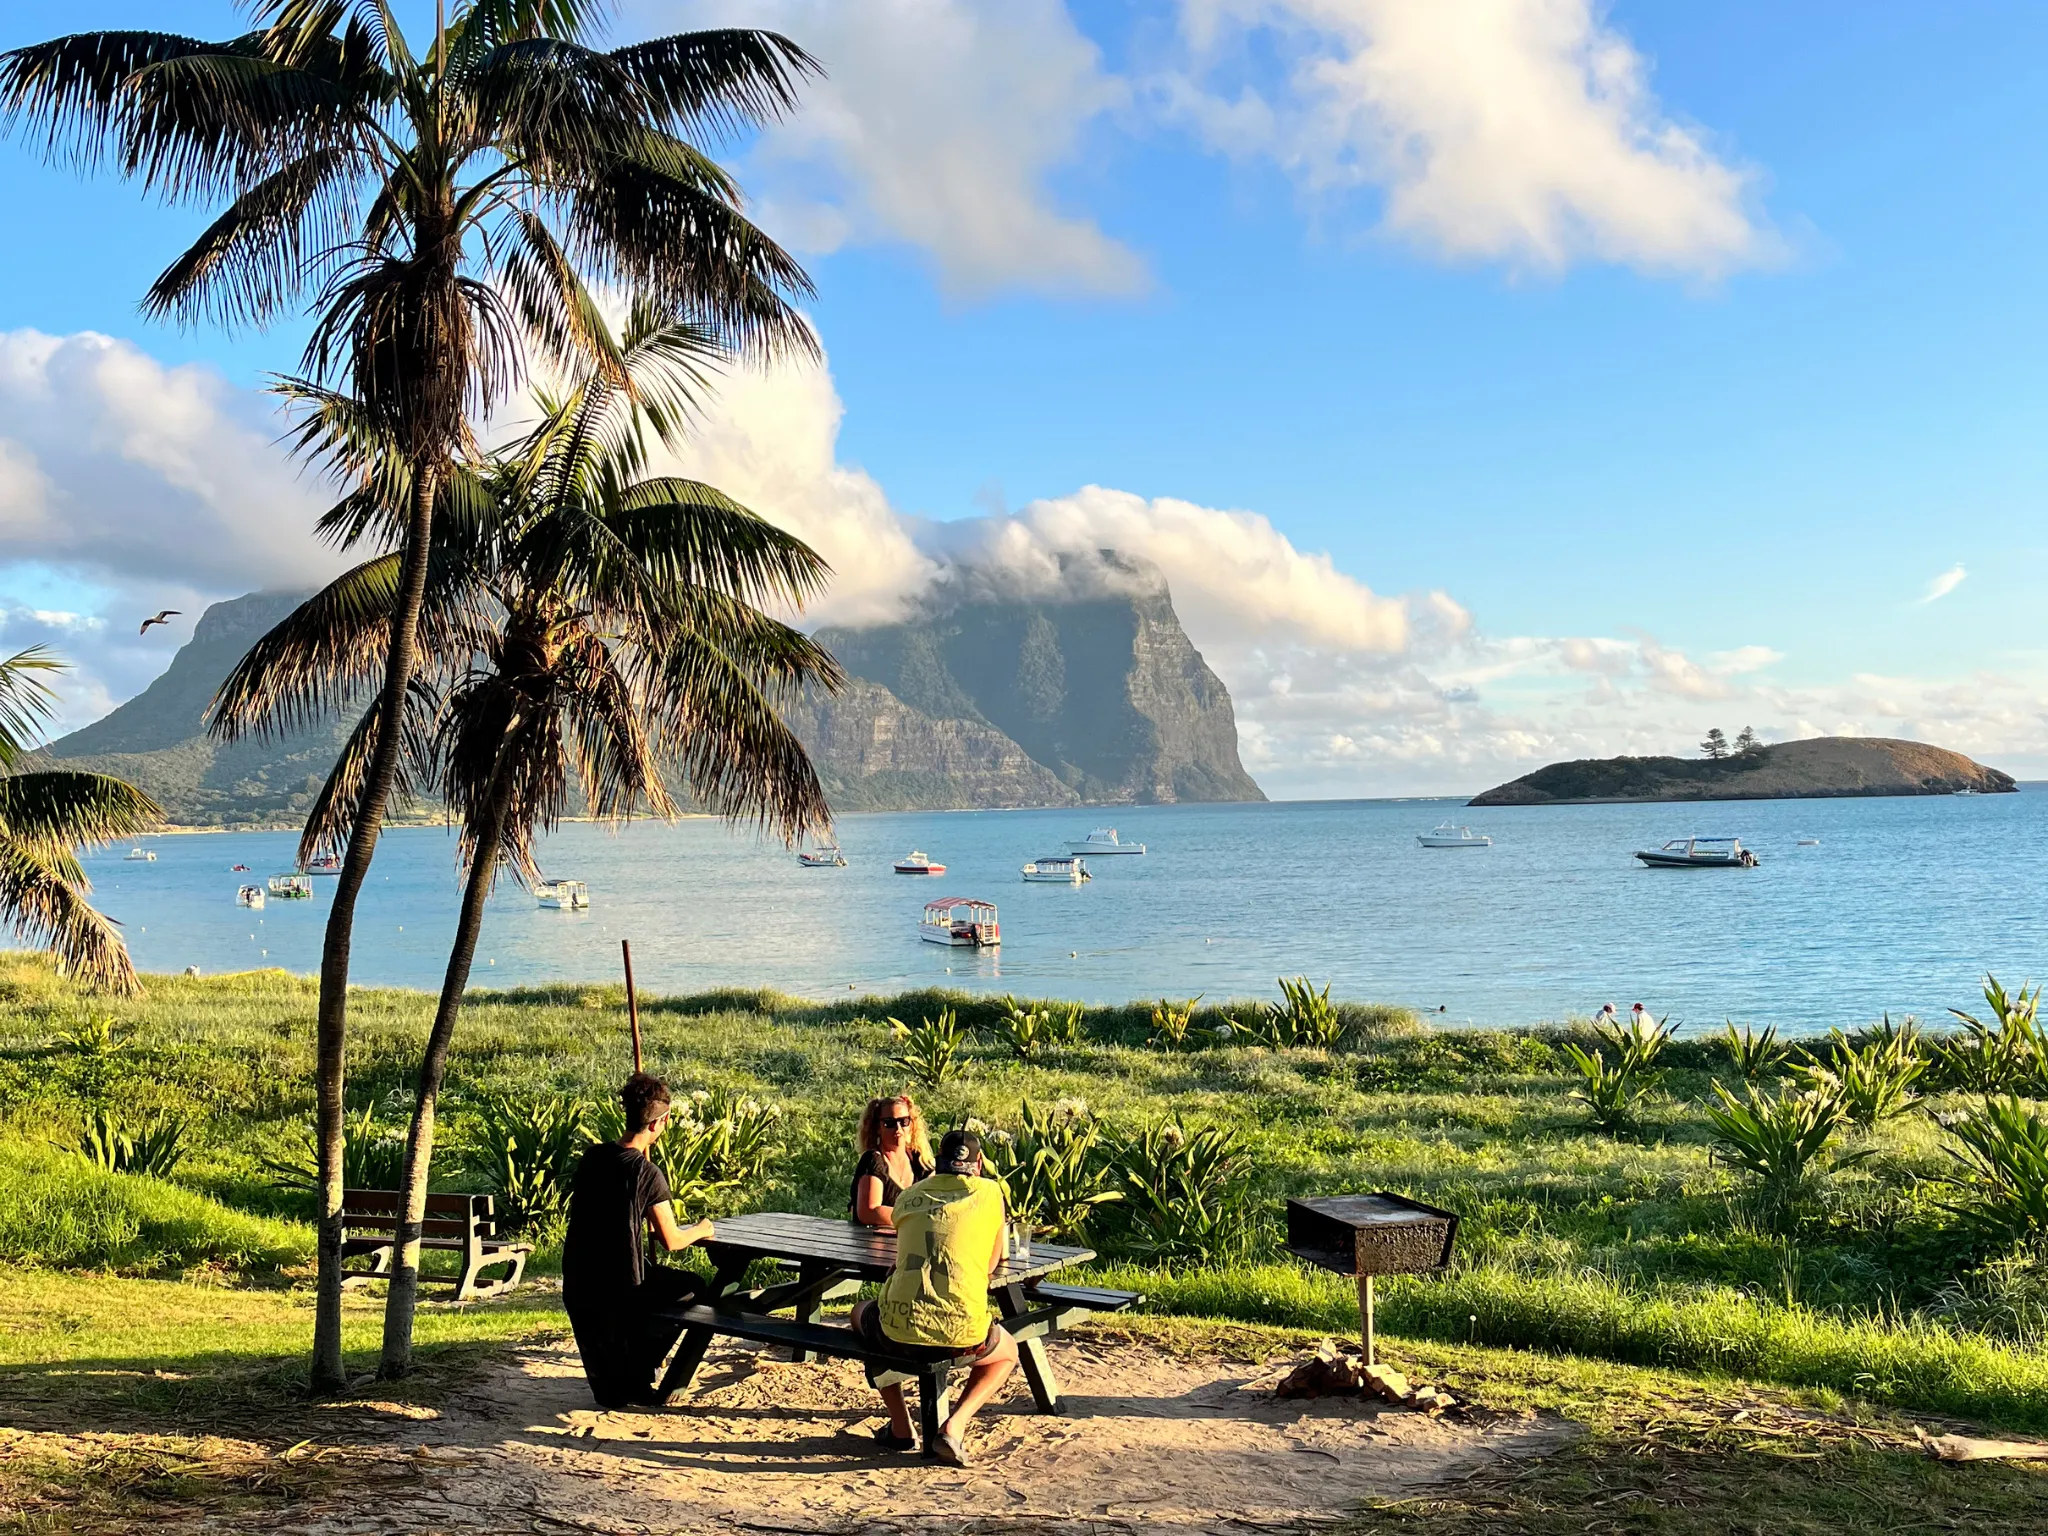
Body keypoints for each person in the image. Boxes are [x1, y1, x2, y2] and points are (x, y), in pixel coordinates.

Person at [849, 1128, 1018, 1465]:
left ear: (938, 1161)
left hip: (897, 1329)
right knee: (1008, 1351)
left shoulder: (910, 1196)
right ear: (979, 1163)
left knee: (861, 1316)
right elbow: (993, 1262)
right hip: (963, 1335)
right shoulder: (990, 1193)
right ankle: (954, 1426)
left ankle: (900, 1424)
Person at [561, 1072, 715, 1409]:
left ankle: (632, 1372)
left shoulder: (592, 1158)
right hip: (621, 1285)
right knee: (693, 1288)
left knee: (614, 1390)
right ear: (662, 1122)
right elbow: (672, 1240)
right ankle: (642, 1365)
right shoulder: (646, 1173)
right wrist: (702, 1229)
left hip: (579, 1275)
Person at [850, 1094, 933, 1228]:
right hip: (870, 1244)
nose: (898, 1129)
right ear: (877, 1127)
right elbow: (868, 1212)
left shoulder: (919, 1161)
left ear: (911, 1124)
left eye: (904, 1121)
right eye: (890, 1123)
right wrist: (916, 1216)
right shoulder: (873, 1160)